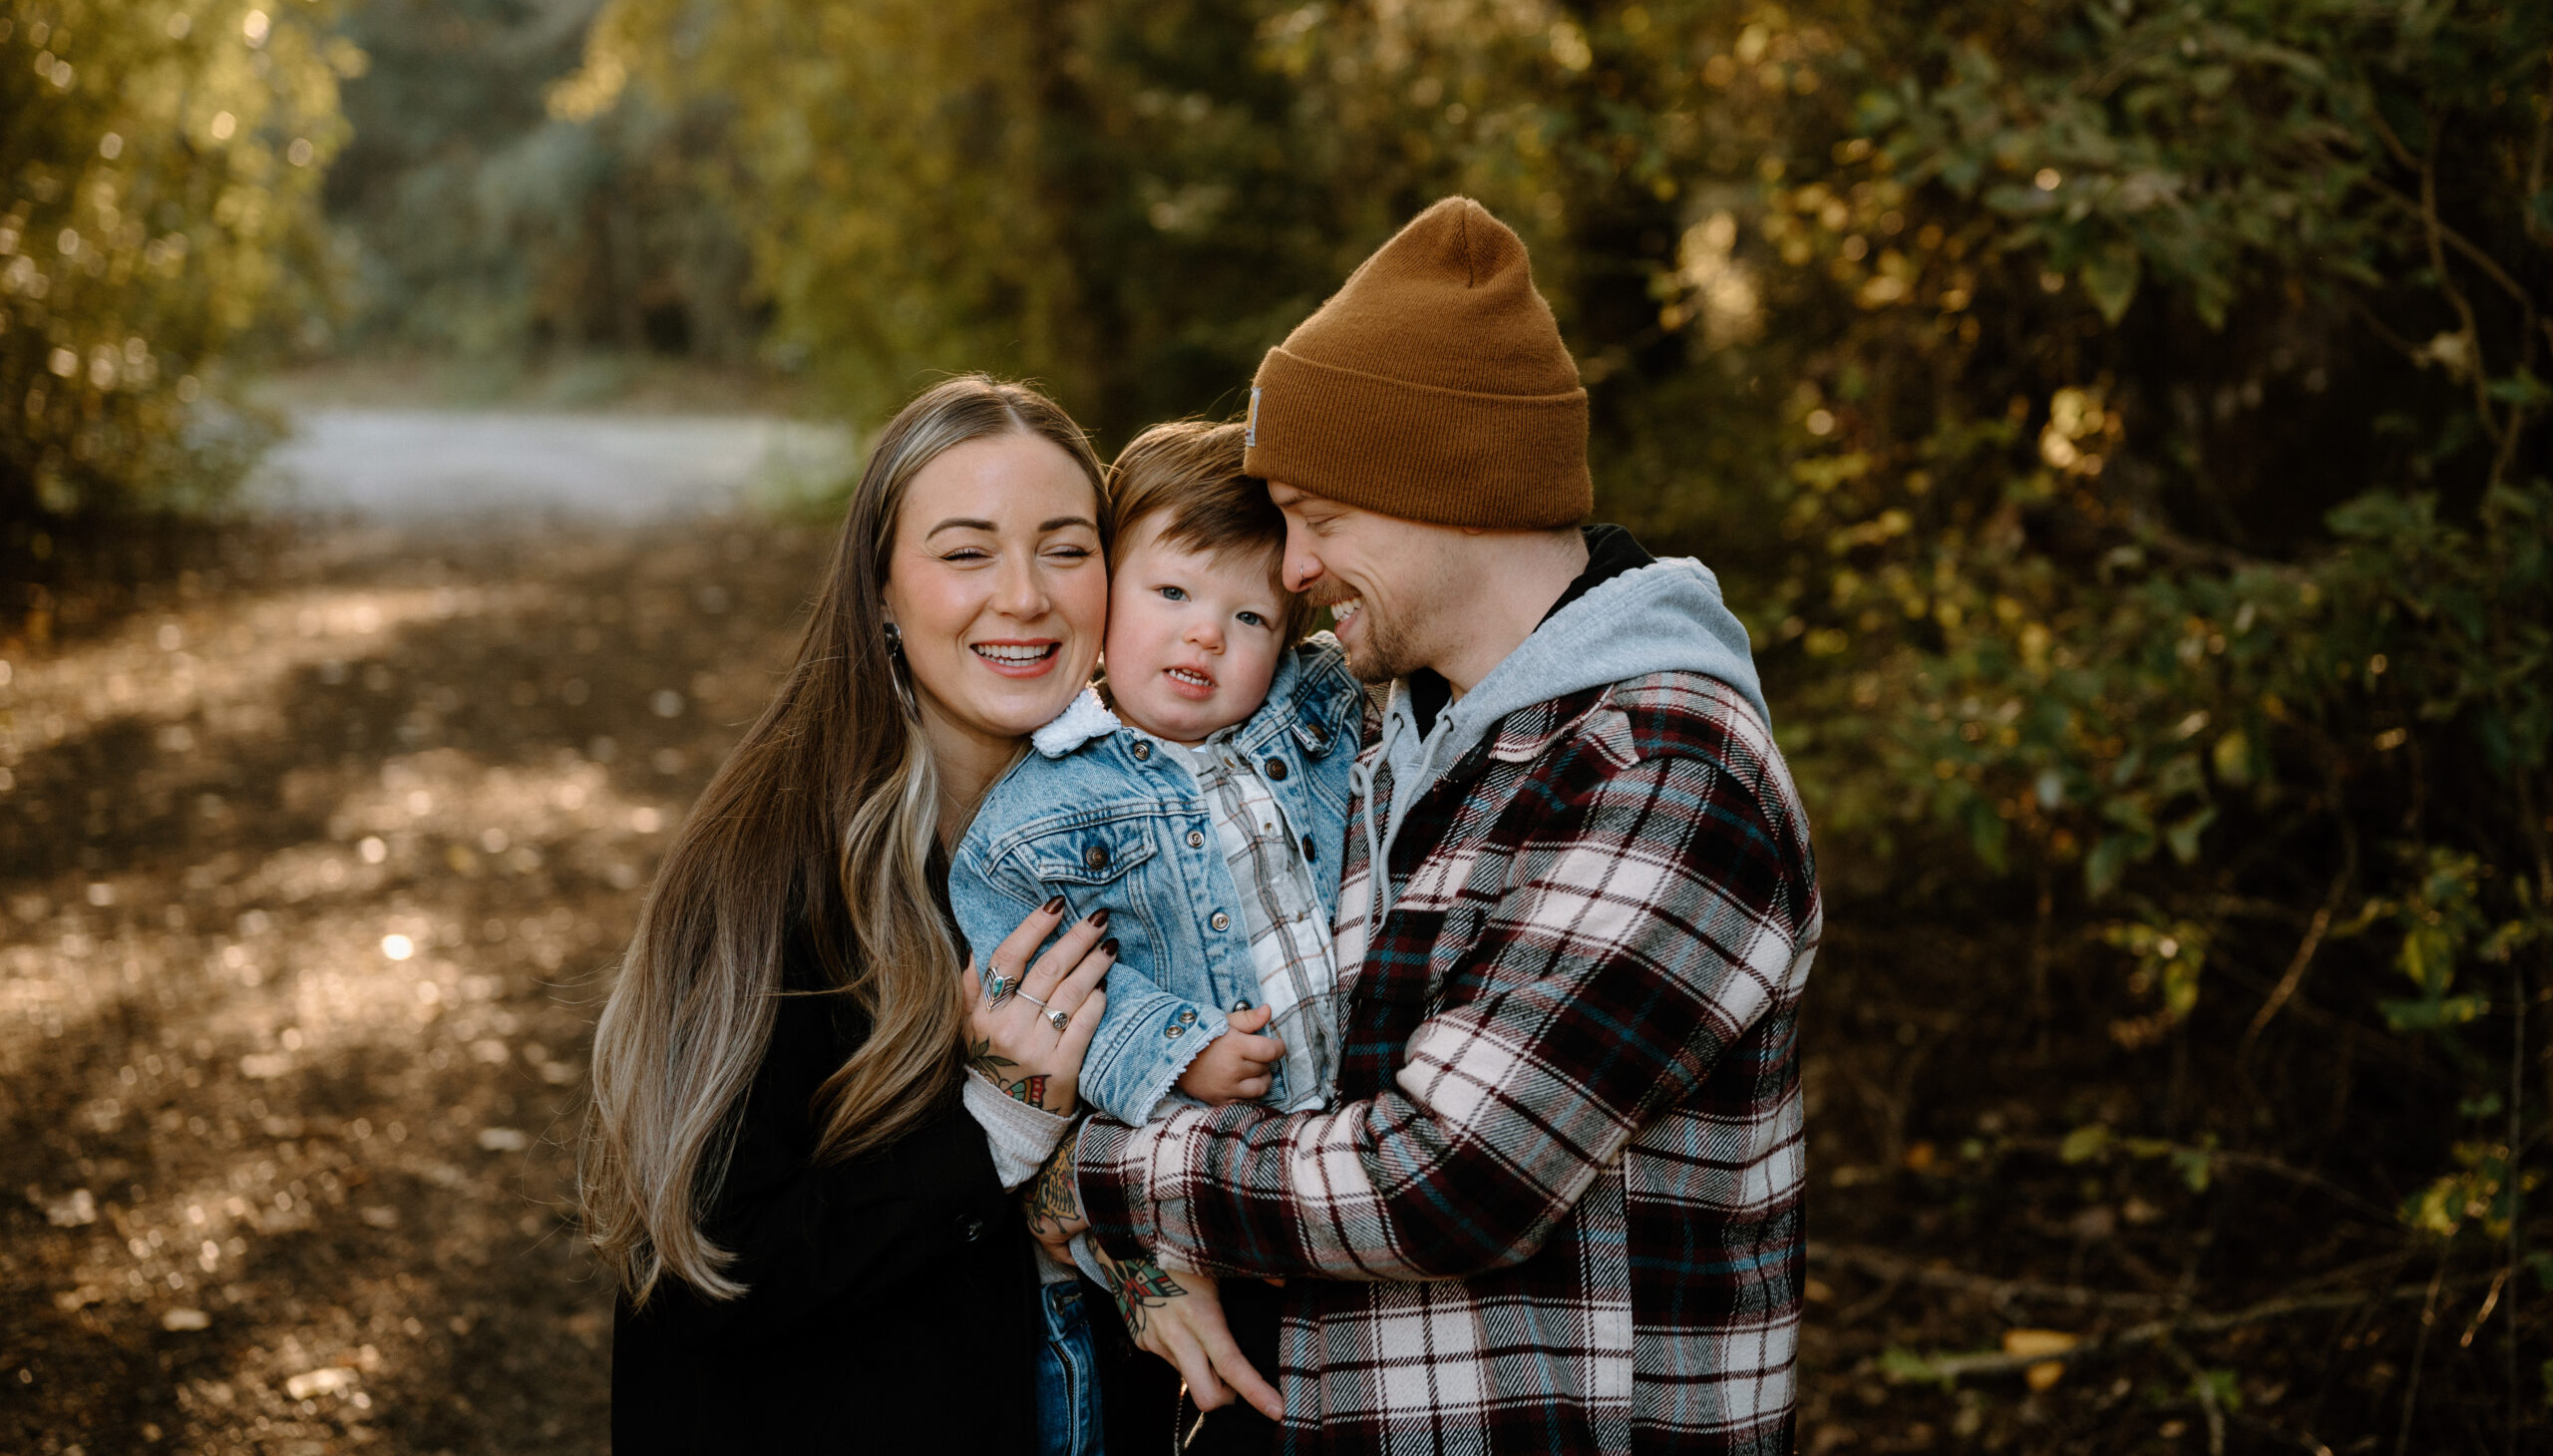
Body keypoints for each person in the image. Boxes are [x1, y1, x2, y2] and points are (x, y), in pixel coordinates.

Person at [1028, 198, 1824, 1454]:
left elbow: (1445, 1179)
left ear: (1444, 486)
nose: (1288, 571)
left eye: (1317, 516)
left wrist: (1098, 1174)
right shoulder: (1376, 731)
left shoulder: (1663, 770)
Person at [581, 375, 1125, 1453]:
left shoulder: (1161, 828)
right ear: (880, 591)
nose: (1024, 595)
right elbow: (713, 1269)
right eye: (966, 551)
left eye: (1065, 547)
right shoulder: (770, 865)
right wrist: (994, 1129)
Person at [948, 419, 1367, 1456]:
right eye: (1170, 594)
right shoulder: (1046, 805)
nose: (1204, 636)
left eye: (1249, 615)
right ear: (1105, 600)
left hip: (1342, 1164)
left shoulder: (1305, 711)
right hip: (1194, 1184)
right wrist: (1177, 1040)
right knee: (1215, 1406)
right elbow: (1022, 946)